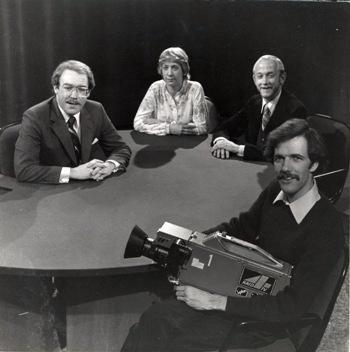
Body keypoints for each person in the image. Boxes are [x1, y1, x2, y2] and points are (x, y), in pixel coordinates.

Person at [121, 118, 344, 352]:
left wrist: (214, 302)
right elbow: (240, 228)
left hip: (262, 320)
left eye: (296, 158)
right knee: (155, 318)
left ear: (314, 165)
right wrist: (190, 242)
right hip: (235, 292)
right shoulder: (275, 191)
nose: (285, 168)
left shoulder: (326, 228)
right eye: (279, 158)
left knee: (178, 343)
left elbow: (291, 306)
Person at [15, 60, 131, 184]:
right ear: (56, 88)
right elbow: (24, 170)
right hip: (53, 193)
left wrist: (109, 166)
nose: (74, 96)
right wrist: (73, 172)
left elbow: (121, 148)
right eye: (68, 88)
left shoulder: (96, 109)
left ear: (88, 93)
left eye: (81, 90)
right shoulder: (35, 116)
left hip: (89, 189)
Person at [211, 55, 307, 161]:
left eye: (270, 75)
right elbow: (224, 127)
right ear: (254, 79)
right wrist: (221, 142)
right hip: (250, 167)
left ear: (282, 78)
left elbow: (280, 153)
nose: (264, 82)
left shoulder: (296, 109)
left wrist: (237, 148)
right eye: (260, 76)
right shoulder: (254, 102)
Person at [133, 47, 208, 136]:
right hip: (160, 144)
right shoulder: (156, 88)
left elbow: (201, 128)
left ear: (184, 70)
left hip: (188, 144)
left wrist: (157, 123)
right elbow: (138, 123)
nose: (169, 73)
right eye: (165, 67)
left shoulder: (195, 88)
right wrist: (169, 128)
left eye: (174, 68)